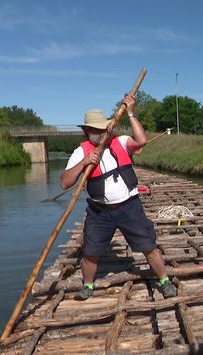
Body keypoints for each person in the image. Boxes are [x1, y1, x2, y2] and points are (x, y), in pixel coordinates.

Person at [60, 94, 177, 300]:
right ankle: (87, 285)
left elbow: (141, 140)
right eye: (94, 130)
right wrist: (85, 163)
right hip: (99, 212)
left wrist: (130, 113)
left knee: (149, 246)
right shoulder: (81, 151)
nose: (99, 133)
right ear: (87, 131)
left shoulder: (120, 142)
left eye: (102, 128)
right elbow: (65, 182)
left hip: (129, 207)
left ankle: (164, 280)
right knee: (91, 251)